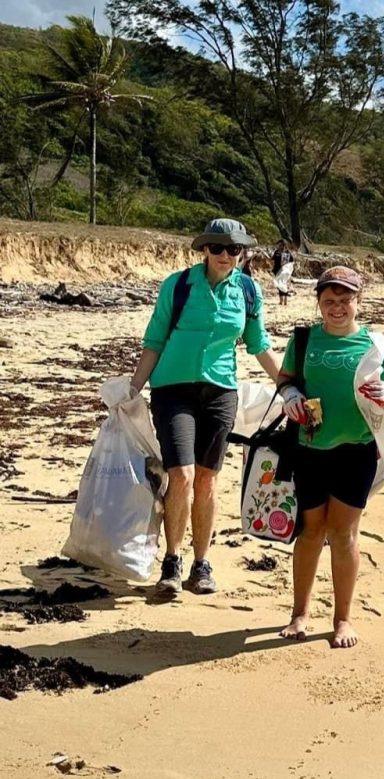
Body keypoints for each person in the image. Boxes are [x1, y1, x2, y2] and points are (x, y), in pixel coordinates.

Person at [131, 218, 280, 596]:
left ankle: (201, 564)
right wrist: (132, 390)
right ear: (204, 250)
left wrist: (290, 386)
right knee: (179, 474)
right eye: (218, 248)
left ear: (243, 253)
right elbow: (154, 340)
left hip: (220, 394)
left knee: (207, 478)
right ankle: (172, 561)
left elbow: (258, 343)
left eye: (235, 249)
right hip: (172, 390)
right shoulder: (178, 286)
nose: (226, 256)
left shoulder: (248, 291)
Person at [276, 266, 384, 649]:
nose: (337, 308)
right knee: (311, 531)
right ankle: (299, 614)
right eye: (329, 301)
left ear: (358, 302)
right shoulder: (302, 340)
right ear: (318, 303)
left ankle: (342, 618)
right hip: (310, 449)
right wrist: (290, 397)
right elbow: (284, 380)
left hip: (357, 450)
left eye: (345, 300)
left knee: (344, 533)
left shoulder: (375, 344)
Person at [271, 240, 295, 306]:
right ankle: (281, 300)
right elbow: (273, 259)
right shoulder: (277, 252)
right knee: (279, 285)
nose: (280, 246)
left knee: (282, 284)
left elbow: (291, 262)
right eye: (279, 245)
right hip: (277, 270)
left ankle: (285, 300)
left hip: (284, 271)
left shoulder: (287, 253)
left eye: (281, 245)